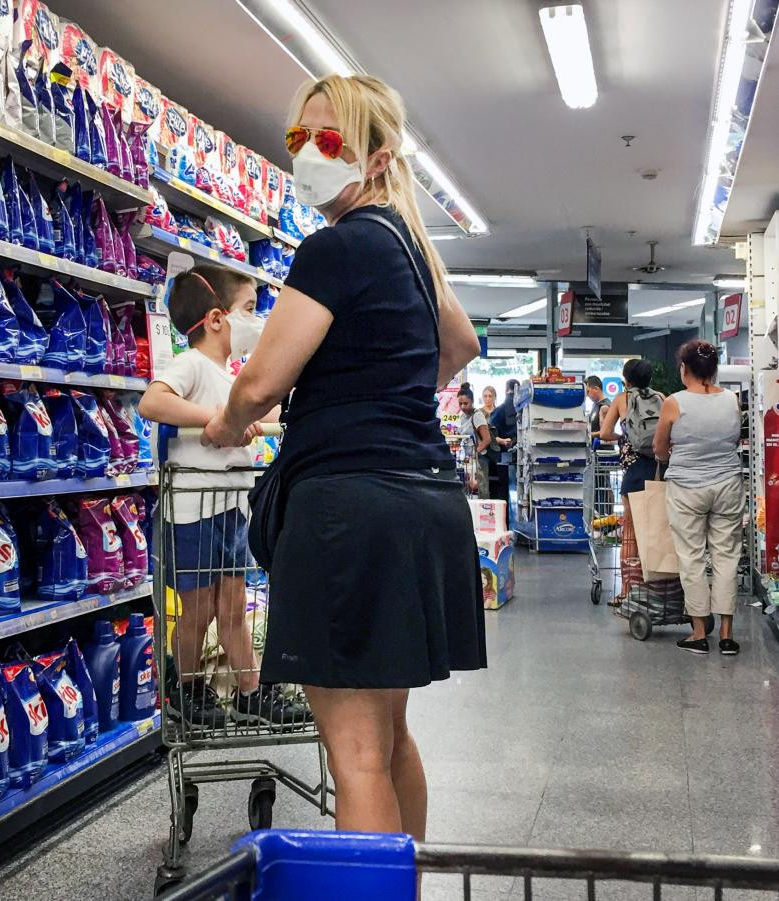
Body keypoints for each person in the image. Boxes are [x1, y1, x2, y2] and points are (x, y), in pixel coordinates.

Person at [201, 73, 486, 835]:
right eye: (299, 139)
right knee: (388, 740)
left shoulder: (334, 247)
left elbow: (260, 382)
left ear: (376, 157)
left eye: (328, 141)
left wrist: (228, 423)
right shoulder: (413, 249)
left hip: (348, 514)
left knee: (354, 756)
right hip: (422, 498)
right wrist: (384, 382)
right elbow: (462, 345)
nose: (308, 155)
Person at [138, 265, 301, 728]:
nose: (255, 321)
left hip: (229, 506)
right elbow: (153, 402)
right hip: (191, 510)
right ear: (214, 320)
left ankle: (251, 691)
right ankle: (184, 687)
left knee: (230, 605)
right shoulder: (192, 364)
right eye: (248, 310)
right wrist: (215, 418)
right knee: (198, 610)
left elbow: (262, 406)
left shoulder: (232, 374)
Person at [653, 340, 744, 656]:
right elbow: (734, 438)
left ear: (685, 368)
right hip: (728, 485)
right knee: (726, 555)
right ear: (714, 369)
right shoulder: (732, 399)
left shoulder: (674, 402)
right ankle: (728, 636)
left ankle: (699, 633)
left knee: (691, 557)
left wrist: (675, 458)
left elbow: (659, 447)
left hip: (686, 488)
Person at [600, 359, 681, 608]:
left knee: (630, 535)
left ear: (626, 379)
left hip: (634, 471)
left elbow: (604, 433)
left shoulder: (622, 400)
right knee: (658, 528)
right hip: (660, 469)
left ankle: (627, 591)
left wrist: (624, 437)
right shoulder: (662, 397)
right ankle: (654, 587)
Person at [457, 386, 492, 498]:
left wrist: (474, 453)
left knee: (481, 493)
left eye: (465, 403)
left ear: (472, 401)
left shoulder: (477, 415)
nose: (462, 406)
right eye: (460, 404)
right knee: (468, 492)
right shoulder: (462, 417)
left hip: (479, 460)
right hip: (467, 461)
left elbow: (487, 439)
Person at [490, 379, 520, 446]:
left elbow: (489, 435)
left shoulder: (497, 411)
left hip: (504, 451)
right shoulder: (524, 409)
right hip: (521, 449)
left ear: (505, 390)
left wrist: (502, 441)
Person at [586, 375, 611, 440]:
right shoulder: (595, 405)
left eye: (588, 392)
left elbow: (606, 433)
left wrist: (587, 434)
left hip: (603, 448)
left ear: (596, 389)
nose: (587, 395)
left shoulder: (605, 406)